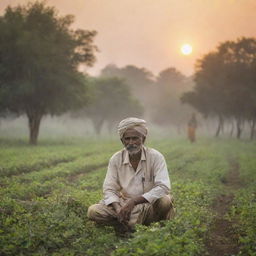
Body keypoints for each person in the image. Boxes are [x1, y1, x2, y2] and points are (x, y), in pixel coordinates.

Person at [87, 117, 174, 232]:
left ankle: (127, 225)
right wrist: (118, 209)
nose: (131, 142)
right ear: (122, 141)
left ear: (143, 138)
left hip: (148, 205)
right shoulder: (116, 159)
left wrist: (134, 202)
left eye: (135, 138)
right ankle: (127, 223)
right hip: (124, 205)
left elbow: (163, 187)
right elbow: (109, 189)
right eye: (127, 139)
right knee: (93, 211)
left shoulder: (156, 157)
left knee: (164, 201)